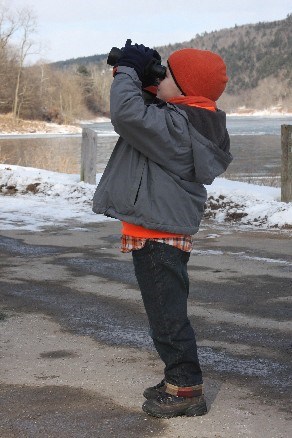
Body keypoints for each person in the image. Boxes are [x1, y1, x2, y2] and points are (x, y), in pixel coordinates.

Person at [92, 41, 232, 418]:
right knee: (165, 312)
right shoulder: (186, 118)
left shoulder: (177, 126)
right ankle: (178, 377)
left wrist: (128, 73)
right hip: (157, 229)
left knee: (166, 317)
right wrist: (143, 76)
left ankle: (185, 387)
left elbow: (127, 115)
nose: (161, 77)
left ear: (186, 89)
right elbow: (148, 107)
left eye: (167, 73)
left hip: (158, 235)